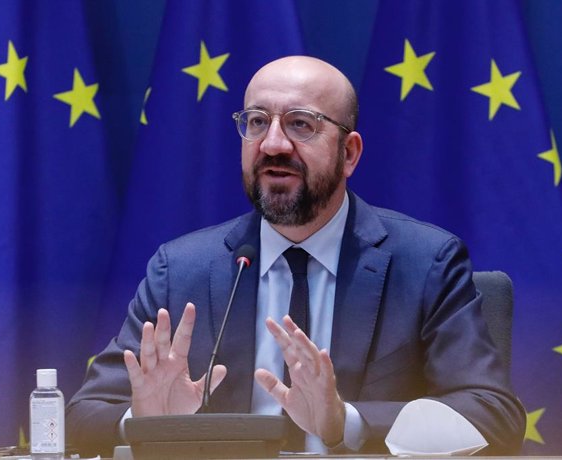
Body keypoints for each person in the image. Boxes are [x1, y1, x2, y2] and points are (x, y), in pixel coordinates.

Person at [66, 56, 526, 456]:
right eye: (257, 122)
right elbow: (83, 416)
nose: (273, 145)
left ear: (349, 153)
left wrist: (345, 422)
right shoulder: (182, 269)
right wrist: (145, 423)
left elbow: (493, 413)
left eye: (301, 124)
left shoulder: (425, 263)